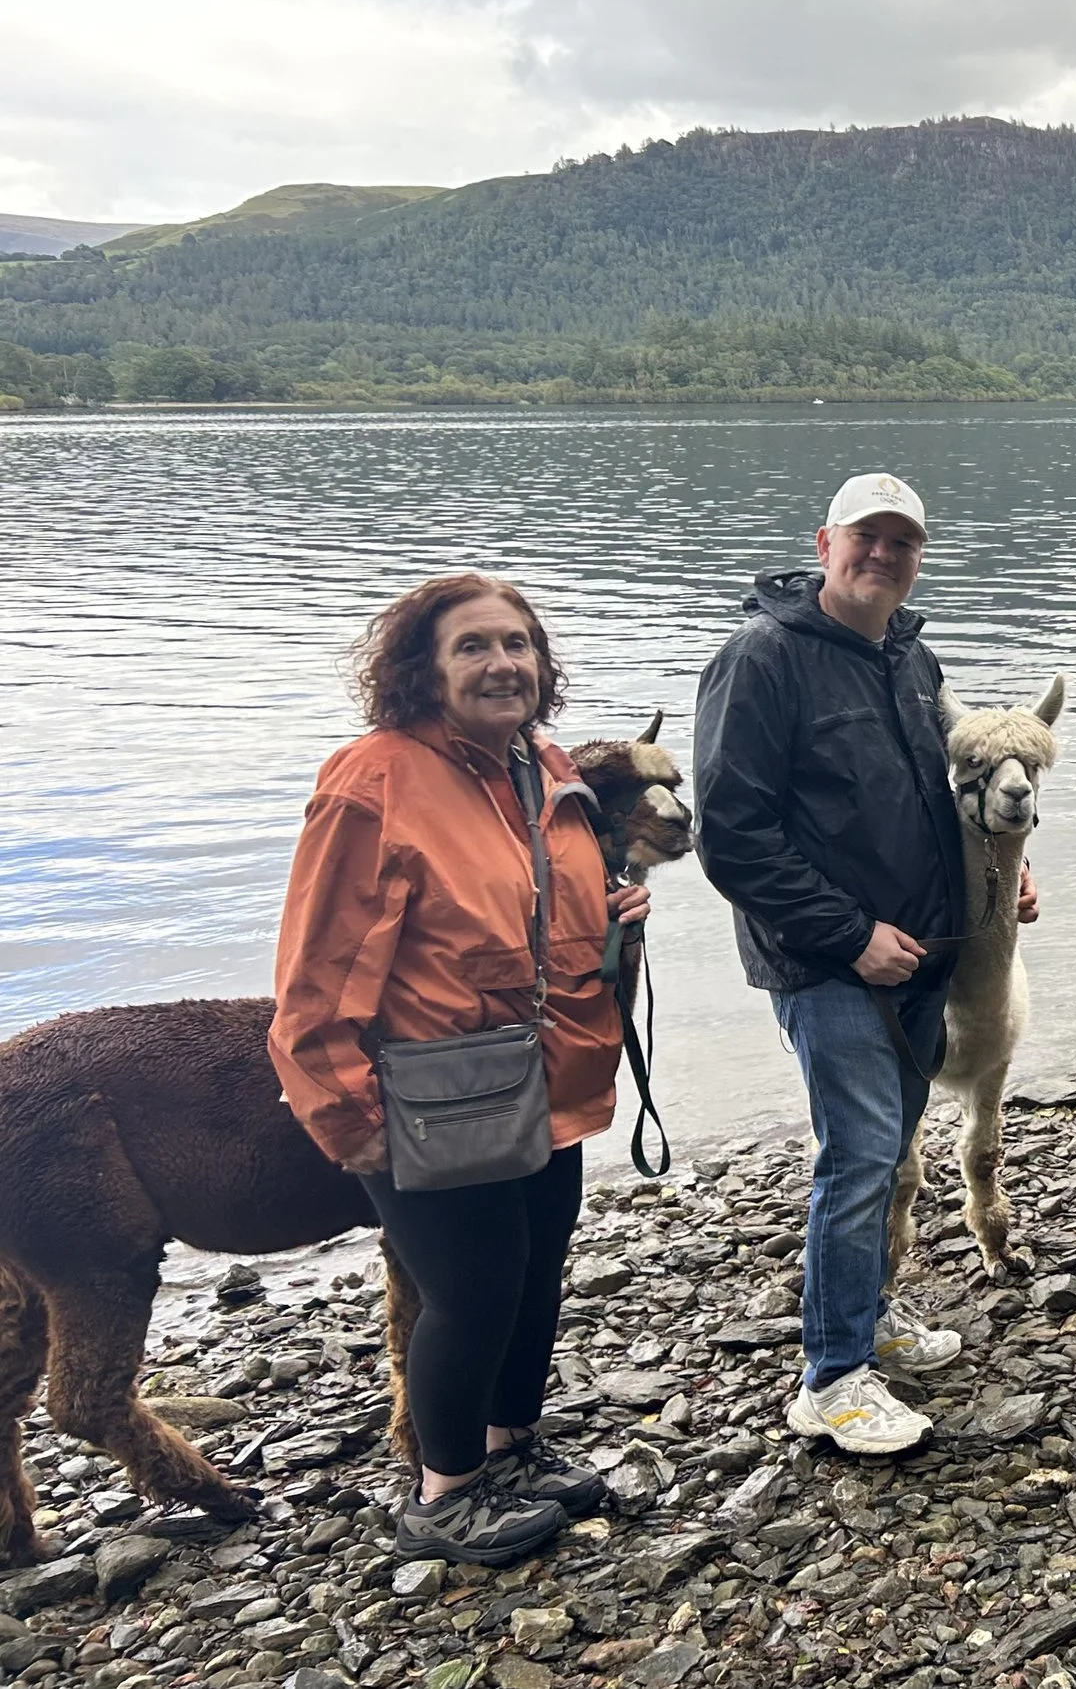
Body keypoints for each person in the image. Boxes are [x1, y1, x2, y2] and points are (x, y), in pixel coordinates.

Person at [270, 573, 646, 1566]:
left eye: (517, 644)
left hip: (547, 1082)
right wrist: (351, 1119)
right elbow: (316, 978)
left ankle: (511, 1449)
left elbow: (534, 914)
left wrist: (609, 915)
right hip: (433, 1096)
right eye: (473, 645)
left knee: (532, 1277)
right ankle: (445, 1495)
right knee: (472, 1292)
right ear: (420, 667)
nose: (501, 664)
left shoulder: (541, 764)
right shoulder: (373, 779)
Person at [694, 471, 1035, 1456]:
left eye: (901, 541)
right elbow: (734, 836)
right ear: (824, 543)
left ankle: (869, 1314)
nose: (882, 555)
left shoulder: (910, 659)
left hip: (923, 954)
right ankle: (832, 1375)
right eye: (865, 538)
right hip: (828, 964)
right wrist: (849, 935)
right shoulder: (760, 662)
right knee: (857, 1159)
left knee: (888, 1155)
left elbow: (949, 791)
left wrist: (1002, 879)